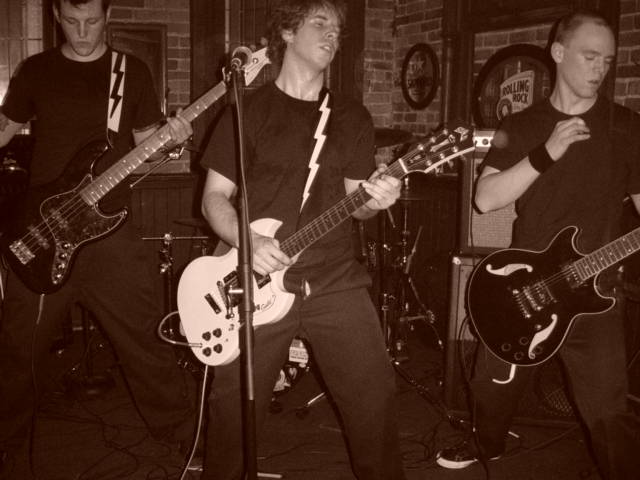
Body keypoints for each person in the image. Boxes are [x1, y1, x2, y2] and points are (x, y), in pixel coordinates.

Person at [197, 1, 407, 478]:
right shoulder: (246, 111)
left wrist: (379, 198)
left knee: (374, 396)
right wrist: (248, 241)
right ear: (287, 33)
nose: (333, 34)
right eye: (319, 23)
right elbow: (213, 199)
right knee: (234, 412)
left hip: (334, 279)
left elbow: (358, 203)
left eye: (338, 28)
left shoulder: (351, 117)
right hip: (255, 280)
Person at [436, 9, 640, 480]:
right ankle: (488, 444)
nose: (600, 68)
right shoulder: (525, 124)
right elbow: (485, 199)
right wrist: (547, 152)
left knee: (609, 411)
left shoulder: (627, 128)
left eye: (608, 60)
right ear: (559, 52)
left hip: (595, 294)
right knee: (491, 391)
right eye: (590, 56)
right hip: (524, 289)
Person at [0, 0, 198, 474]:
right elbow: (4, 130)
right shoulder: (36, 70)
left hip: (111, 233)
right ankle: (5, 441)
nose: (83, 32)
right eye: (72, 22)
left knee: (145, 337)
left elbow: (147, 147)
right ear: (57, 17)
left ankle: (181, 434)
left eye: (91, 21)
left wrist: (173, 141)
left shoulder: (132, 71)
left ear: (107, 16)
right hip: (44, 231)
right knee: (17, 346)